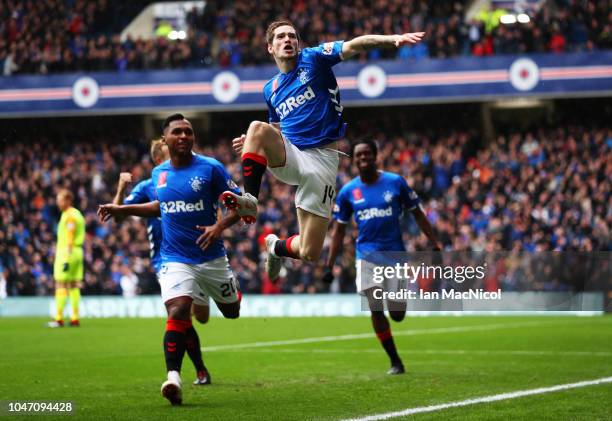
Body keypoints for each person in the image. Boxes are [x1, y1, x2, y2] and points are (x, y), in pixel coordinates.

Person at [221, 20, 425, 283]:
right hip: (293, 155)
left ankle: (275, 247)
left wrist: (392, 39)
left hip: (324, 162)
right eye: (281, 37)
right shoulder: (269, 89)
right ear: (270, 47)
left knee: (310, 251)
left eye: (292, 36)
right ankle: (249, 199)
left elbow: (355, 44)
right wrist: (253, 140)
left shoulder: (314, 58)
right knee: (256, 128)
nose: (288, 40)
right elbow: (274, 129)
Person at [98, 113, 242, 405]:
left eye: (188, 131)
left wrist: (219, 227)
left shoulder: (211, 168)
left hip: (211, 258)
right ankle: (173, 378)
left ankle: (229, 292)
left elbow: (239, 205)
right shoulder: (158, 174)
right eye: (177, 132)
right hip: (175, 258)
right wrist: (124, 210)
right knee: (178, 312)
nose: (184, 136)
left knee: (231, 311)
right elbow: (160, 206)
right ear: (165, 139)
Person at [325, 140, 441, 374]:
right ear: (354, 159)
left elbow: (417, 214)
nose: (363, 157)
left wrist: (434, 242)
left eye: (368, 153)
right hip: (366, 256)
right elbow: (339, 230)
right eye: (359, 155)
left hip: (395, 256)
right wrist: (329, 263)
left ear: (376, 156)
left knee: (397, 314)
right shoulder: (348, 192)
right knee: (375, 308)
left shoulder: (395, 182)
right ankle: (395, 361)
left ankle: (395, 349)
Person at [112, 138, 212, 386]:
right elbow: (117, 214)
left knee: (201, 316)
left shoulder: (189, 177)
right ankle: (197, 371)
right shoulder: (148, 186)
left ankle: (200, 370)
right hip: (165, 261)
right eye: (169, 154)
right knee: (180, 315)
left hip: (195, 254)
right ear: (159, 159)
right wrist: (121, 186)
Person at [48, 189, 86, 328]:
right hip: (78, 251)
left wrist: (66, 257)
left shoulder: (69, 215)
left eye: (60, 200)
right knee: (74, 285)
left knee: (61, 284)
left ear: (68, 200)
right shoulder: (77, 214)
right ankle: (75, 318)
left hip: (67, 252)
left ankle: (58, 318)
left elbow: (70, 234)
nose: (58, 203)